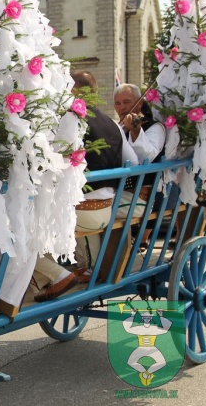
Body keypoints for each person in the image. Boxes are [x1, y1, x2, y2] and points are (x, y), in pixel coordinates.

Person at [32, 71, 138, 301]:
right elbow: (133, 162)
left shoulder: (69, 121)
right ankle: (57, 274)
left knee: (26, 228)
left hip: (81, 210)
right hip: (106, 206)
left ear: (72, 91)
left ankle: (56, 275)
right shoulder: (113, 123)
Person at [114, 83, 166, 249]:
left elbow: (146, 157)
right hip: (120, 190)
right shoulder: (117, 128)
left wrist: (136, 131)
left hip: (145, 194)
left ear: (139, 103)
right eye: (118, 103)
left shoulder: (155, 127)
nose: (122, 107)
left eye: (127, 102)